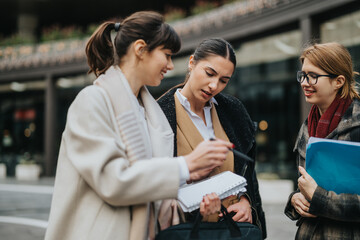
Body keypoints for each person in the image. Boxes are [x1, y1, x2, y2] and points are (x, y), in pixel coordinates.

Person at [44, 11, 233, 240]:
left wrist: (191, 181)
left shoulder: (147, 112)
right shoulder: (92, 100)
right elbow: (114, 181)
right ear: (141, 49)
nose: (171, 66)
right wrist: (185, 165)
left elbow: (147, 183)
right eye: (166, 54)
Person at [157, 38, 267, 239]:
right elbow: (153, 180)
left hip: (231, 229)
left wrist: (245, 201)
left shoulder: (234, 112)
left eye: (224, 80)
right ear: (191, 63)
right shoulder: (159, 114)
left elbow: (247, 175)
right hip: (183, 229)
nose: (214, 85)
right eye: (209, 73)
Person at [284, 42, 360, 239]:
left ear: (339, 81)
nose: (304, 82)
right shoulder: (307, 125)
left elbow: (316, 191)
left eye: (313, 76)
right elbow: (304, 182)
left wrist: (319, 198)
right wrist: (294, 200)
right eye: (303, 75)